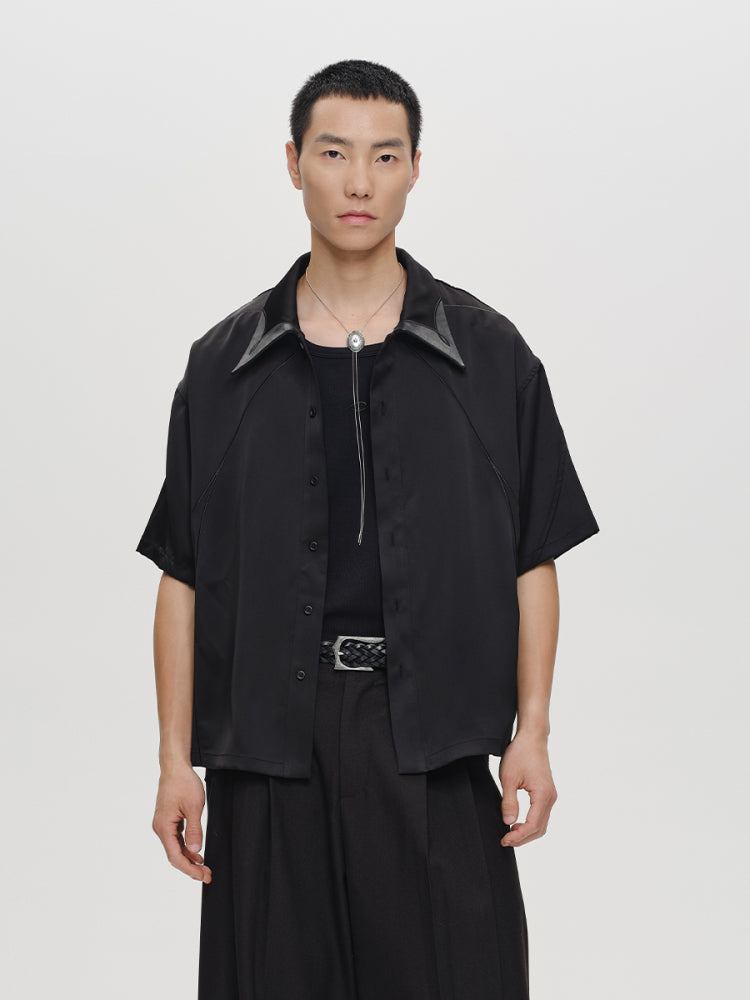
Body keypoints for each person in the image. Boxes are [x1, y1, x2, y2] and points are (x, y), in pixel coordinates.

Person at [136, 59, 599, 1000]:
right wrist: (173, 760)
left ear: (416, 168)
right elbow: (181, 572)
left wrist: (534, 732)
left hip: (433, 742)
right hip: (270, 744)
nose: (359, 182)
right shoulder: (221, 366)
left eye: (385, 156)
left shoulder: (489, 356)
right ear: (293, 164)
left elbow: (534, 555)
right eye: (334, 153)